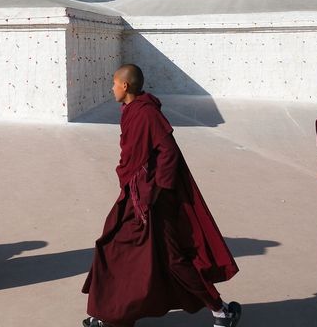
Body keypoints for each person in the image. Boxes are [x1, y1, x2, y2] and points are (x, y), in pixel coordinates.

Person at [82, 64, 242, 327]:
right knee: (113, 249)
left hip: (150, 202)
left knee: (173, 259)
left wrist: (154, 192)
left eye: (114, 83)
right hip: (134, 197)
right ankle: (109, 314)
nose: (111, 88)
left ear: (125, 86)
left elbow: (168, 151)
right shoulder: (131, 111)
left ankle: (220, 311)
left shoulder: (147, 113)